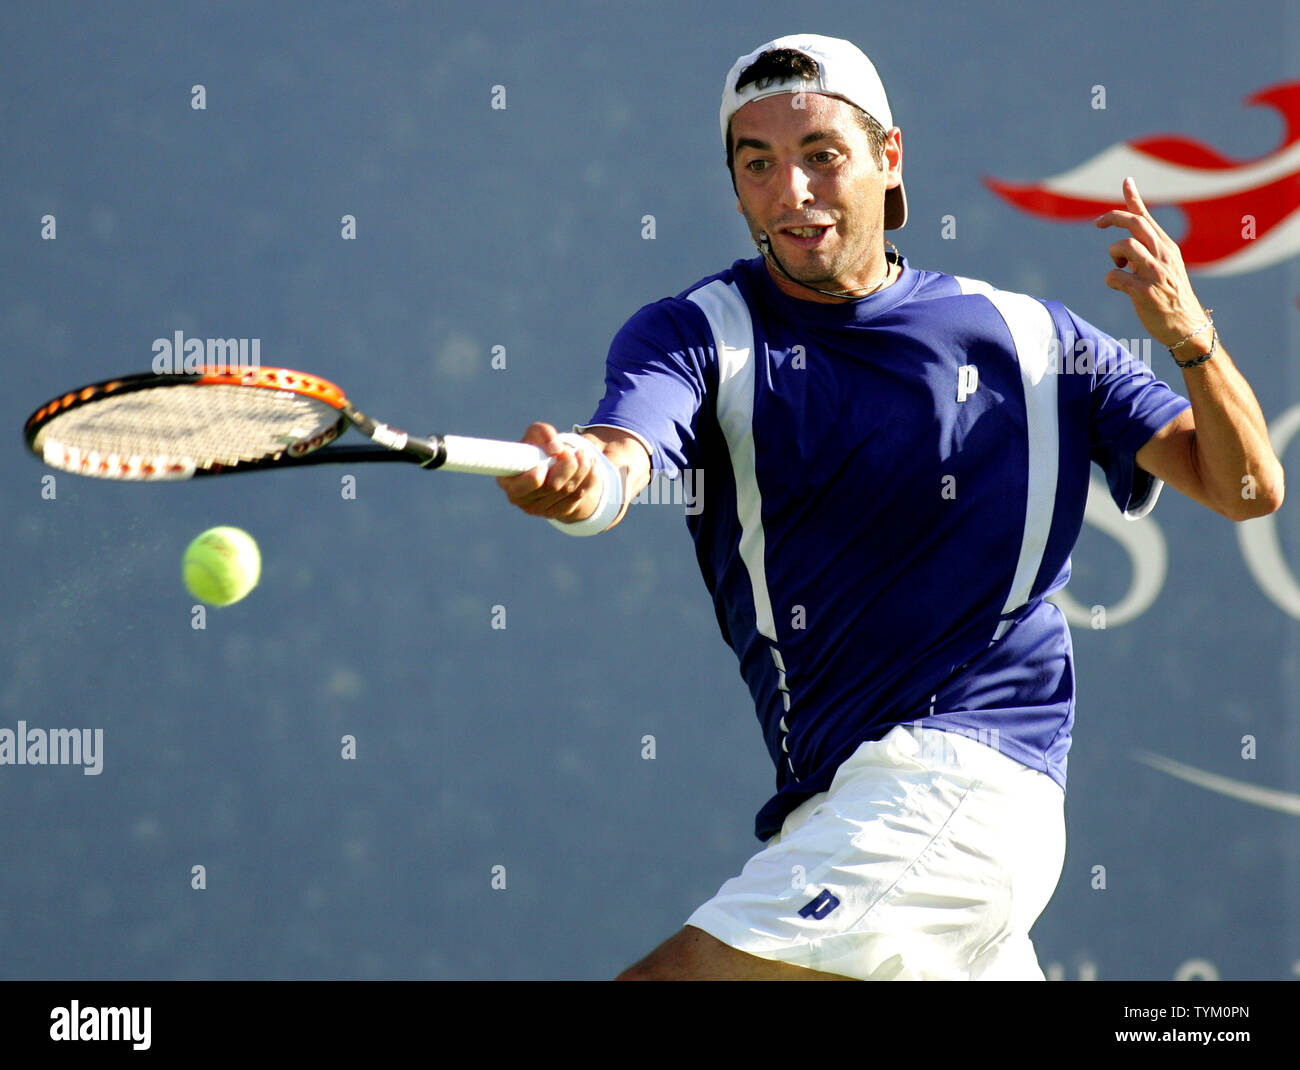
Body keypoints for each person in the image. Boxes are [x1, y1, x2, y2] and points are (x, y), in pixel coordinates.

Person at [496, 33, 1285, 980]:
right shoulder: (696, 331)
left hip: (962, 781)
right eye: (758, 166)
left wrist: (1191, 340)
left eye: (821, 155)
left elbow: (1245, 489)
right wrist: (586, 480)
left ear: (888, 157)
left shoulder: (1035, 338)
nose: (790, 192)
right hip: (846, 806)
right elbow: (626, 455)